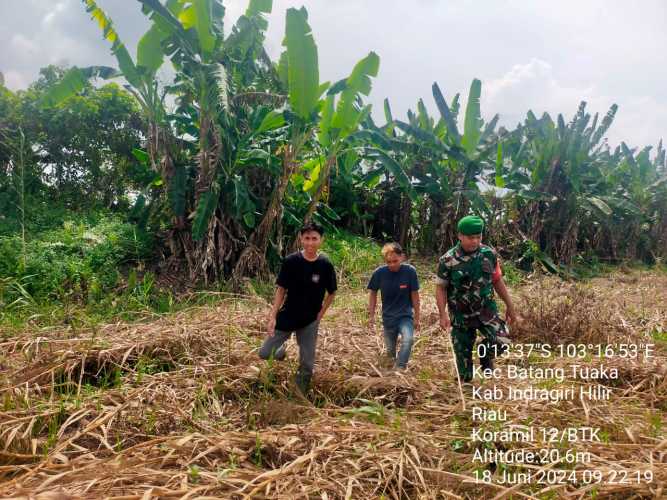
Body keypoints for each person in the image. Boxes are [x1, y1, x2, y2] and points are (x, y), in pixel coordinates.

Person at [435, 215, 517, 383]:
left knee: (503, 340)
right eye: (470, 237)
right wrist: (442, 314)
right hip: (461, 316)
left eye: (478, 237)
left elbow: (497, 281)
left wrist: (510, 305)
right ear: (460, 235)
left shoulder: (489, 254)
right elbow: (441, 288)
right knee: (464, 374)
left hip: (486, 310)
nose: (475, 241)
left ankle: (485, 354)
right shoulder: (448, 260)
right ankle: (467, 391)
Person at [258, 222, 337, 394]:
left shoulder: (325, 264)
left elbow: (332, 292)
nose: (310, 243)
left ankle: (299, 394)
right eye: (307, 238)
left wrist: (320, 314)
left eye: (314, 238)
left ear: (321, 240)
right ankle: (281, 351)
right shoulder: (291, 261)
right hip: (287, 315)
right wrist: (272, 316)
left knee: (307, 363)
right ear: (301, 239)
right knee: (265, 352)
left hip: (309, 320)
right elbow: (281, 290)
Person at [367, 243, 421, 371]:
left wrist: (417, 317)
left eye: (395, 261)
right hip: (388, 319)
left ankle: (400, 368)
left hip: (405, 316)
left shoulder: (410, 272)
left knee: (408, 339)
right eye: (388, 262)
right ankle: (390, 373)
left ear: (402, 257)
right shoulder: (379, 273)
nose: (392, 264)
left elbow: (415, 296)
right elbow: (373, 293)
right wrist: (371, 316)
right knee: (390, 354)